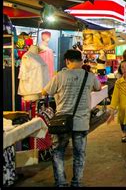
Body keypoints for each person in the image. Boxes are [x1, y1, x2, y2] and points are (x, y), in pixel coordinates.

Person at [41, 49, 101, 186]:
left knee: (58, 152)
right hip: (81, 123)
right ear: (81, 60)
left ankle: (61, 182)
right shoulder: (89, 76)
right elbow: (98, 88)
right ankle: (76, 182)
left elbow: (45, 92)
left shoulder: (59, 76)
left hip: (62, 122)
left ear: (67, 61)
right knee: (79, 154)